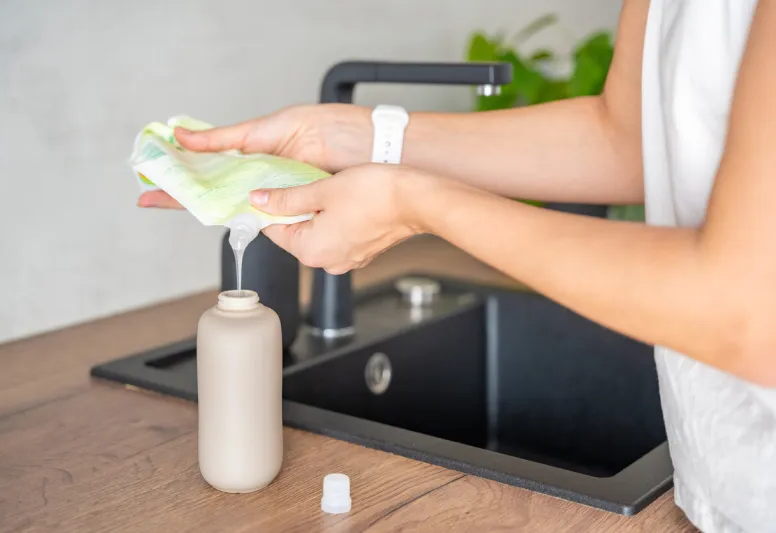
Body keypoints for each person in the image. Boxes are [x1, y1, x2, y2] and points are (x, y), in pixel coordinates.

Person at [138, 1, 775, 531]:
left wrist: (417, 203)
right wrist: (351, 139)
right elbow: (627, 137)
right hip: (721, 486)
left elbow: (747, 307)